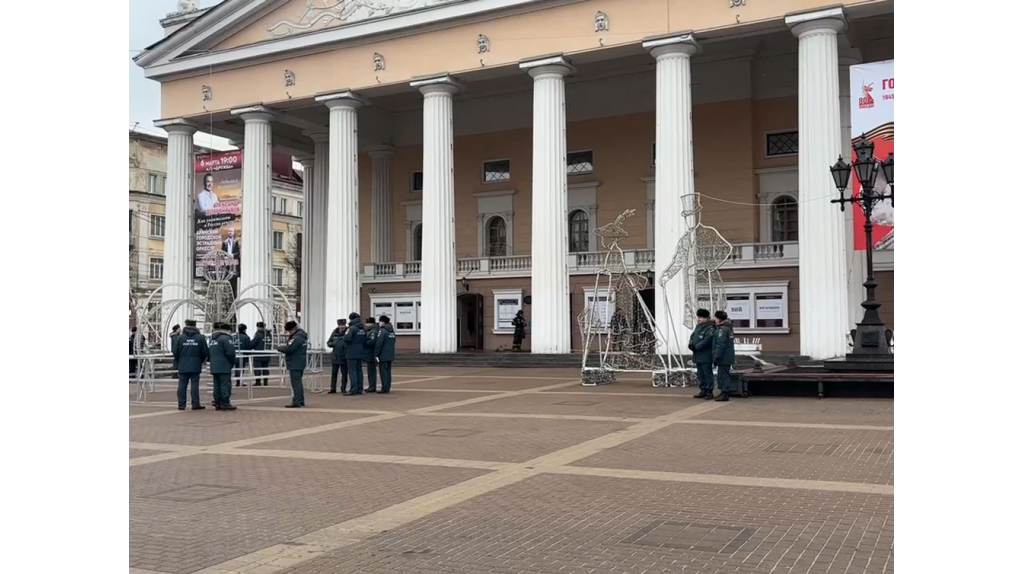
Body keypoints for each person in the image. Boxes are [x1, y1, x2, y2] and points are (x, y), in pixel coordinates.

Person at [173, 319, 209, 410]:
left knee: (182, 384)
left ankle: (181, 404)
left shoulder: (180, 338)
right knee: (195, 384)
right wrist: (200, 360)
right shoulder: (200, 337)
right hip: (195, 364)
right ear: (195, 326)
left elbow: (175, 352)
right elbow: (205, 352)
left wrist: (180, 360)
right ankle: (195, 403)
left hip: (183, 364)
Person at [276, 320, 308, 408]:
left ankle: (297, 400)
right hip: (300, 361)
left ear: (293, 329)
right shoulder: (303, 336)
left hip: (295, 362)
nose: (289, 333)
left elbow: (289, 349)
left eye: (289, 331)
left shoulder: (296, 338)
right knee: (298, 382)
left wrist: (279, 348)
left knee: (296, 383)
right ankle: (300, 400)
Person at [687, 309, 716, 399]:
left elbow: (707, 340)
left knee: (707, 374)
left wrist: (697, 346)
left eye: (700, 317)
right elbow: (692, 336)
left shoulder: (710, 328)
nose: (699, 319)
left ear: (706, 318)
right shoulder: (698, 326)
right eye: (698, 317)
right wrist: (691, 344)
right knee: (700, 374)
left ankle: (709, 391)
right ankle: (703, 390)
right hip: (698, 355)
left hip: (706, 355)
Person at [208, 322, 238, 411]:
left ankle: (217, 402)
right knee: (225, 384)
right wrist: (232, 362)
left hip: (214, 365)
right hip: (224, 364)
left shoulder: (212, 339)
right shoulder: (226, 339)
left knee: (216, 384)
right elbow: (230, 352)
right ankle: (225, 402)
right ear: (228, 330)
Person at [712, 310, 736, 402]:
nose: (714, 319)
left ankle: (724, 393)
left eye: (715, 317)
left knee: (723, 376)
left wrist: (716, 356)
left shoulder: (722, 330)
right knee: (723, 375)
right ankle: (723, 392)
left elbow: (720, 344)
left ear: (719, 319)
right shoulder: (728, 328)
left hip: (723, 357)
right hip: (727, 357)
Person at [343, 312, 367, 396]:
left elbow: (347, 338)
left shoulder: (352, 328)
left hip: (351, 352)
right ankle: (360, 389)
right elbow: (365, 339)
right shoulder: (363, 328)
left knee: (352, 371)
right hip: (360, 352)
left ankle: (353, 389)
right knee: (359, 371)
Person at [374, 315, 397, 394]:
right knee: (388, 372)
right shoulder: (391, 331)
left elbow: (379, 344)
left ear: (383, 322)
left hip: (383, 355)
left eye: (380, 322)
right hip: (390, 355)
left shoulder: (382, 331)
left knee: (383, 372)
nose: (379, 323)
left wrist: (376, 354)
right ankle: (387, 387)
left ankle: (384, 388)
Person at [326, 318, 348, 394]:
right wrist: (334, 344)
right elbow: (329, 342)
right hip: (335, 356)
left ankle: (343, 388)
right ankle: (333, 388)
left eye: (343, 325)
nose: (342, 327)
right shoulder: (334, 332)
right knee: (334, 373)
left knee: (344, 374)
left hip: (344, 356)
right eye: (341, 325)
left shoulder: (347, 332)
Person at [250, 321, 270, 386]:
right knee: (265, 368)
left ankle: (258, 381)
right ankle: (265, 381)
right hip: (267, 354)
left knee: (257, 368)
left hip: (258, 354)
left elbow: (253, 343)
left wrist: (249, 346)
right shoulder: (269, 334)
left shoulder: (258, 334)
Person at [364, 312, 380, 392]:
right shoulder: (372, 330)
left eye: (367, 323)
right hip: (370, 354)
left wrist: (364, 343)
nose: (366, 325)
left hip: (371, 354)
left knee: (371, 372)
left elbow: (372, 341)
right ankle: (371, 386)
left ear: (371, 323)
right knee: (370, 371)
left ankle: (372, 387)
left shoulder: (373, 331)